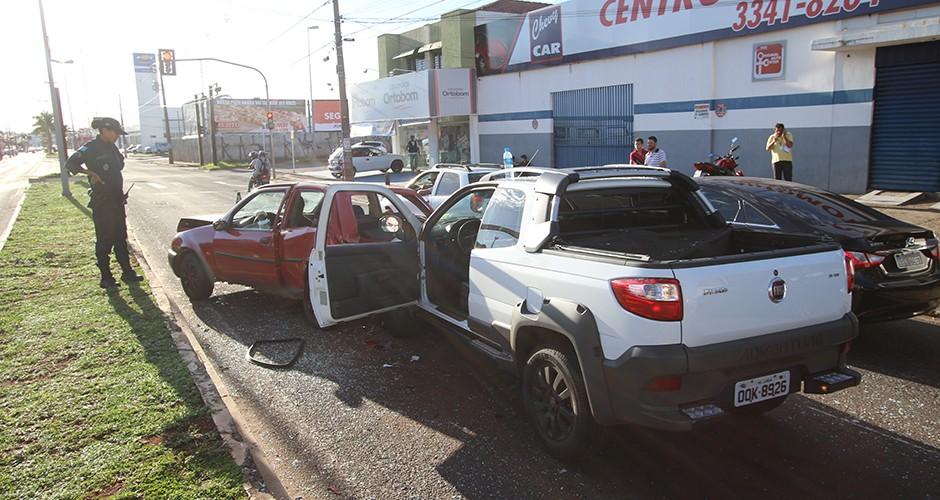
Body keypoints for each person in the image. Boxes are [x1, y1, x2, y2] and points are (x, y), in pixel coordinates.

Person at [66, 117, 143, 289]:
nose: (117, 136)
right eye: (115, 132)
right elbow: (70, 163)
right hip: (102, 202)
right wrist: (90, 173)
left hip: (117, 200)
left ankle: (127, 272)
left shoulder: (112, 147)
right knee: (105, 240)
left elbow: (118, 166)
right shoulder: (90, 148)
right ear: (105, 130)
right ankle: (106, 277)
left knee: (121, 238)